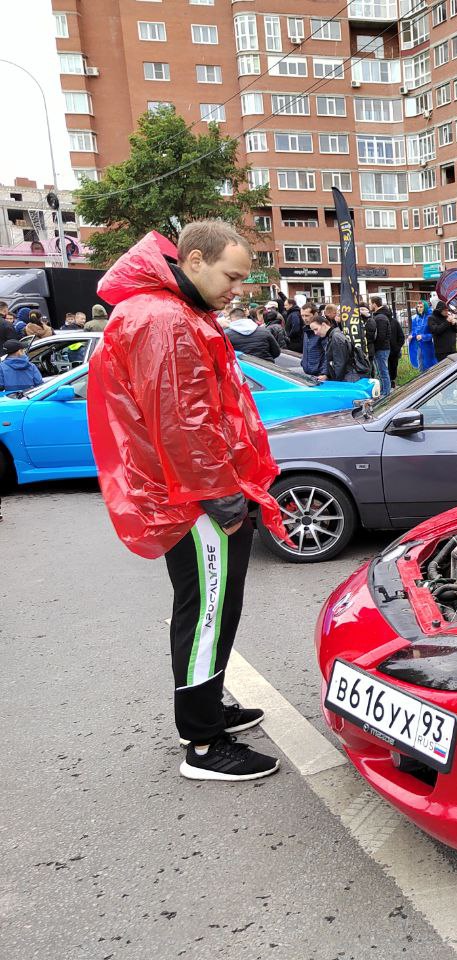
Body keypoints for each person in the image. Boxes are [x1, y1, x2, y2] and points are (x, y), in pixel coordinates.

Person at [86, 221, 289, 783]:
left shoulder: (163, 311)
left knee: (208, 609)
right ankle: (203, 743)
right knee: (207, 613)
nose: (238, 290)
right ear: (194, 260)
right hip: (191, 499)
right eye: (232, 276)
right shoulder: (165, 318)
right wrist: (221, 494)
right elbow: (183, 420)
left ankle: (204, 709)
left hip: (185, 493)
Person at [310, 311, 366, 382]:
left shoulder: (335, 337)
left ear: (324, 325)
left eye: (316, 329)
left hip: (347, 377)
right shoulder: (334, 335)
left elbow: (340, 363)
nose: (315, 333)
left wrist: (335, 380)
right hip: (348, 375)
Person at [367, 296, 393, 396]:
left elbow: (381, 336)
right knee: (381, 371)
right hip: (381, 348)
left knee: (383, 371)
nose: (370, 306)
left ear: (374, 304)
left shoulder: (380, 317)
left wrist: (375, 347)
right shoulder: (380, 316)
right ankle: (384, 390)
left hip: (381, 349)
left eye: (370, 303)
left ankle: (386, 392)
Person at [408, 301, 437, 372]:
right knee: (420, 365)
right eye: (418, 307)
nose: (419, 308)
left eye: (421, 307)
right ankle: (423, 380)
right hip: (419, 346)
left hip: (429, 346)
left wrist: (423, 337)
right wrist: (411, 335)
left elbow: (434, 333)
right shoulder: (416, 318)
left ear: (425, 307)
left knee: (431, 366)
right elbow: (414, 330)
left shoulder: (430, 318)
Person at [300, 304, 326, 375]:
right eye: (302, 316)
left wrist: (325, 373)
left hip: (319, 374)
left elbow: (328, 354)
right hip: (309, 372)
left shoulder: (321, 330)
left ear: (315, 314)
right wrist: (304, 363)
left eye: (307, 315)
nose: (304, 318)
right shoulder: (306, 329)